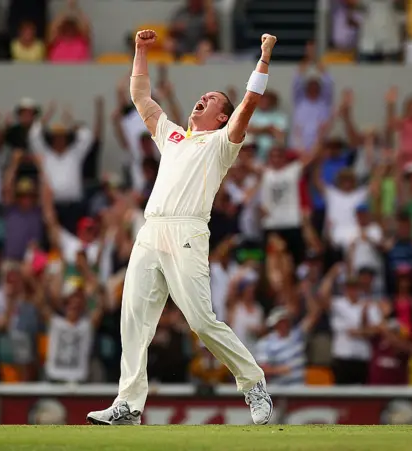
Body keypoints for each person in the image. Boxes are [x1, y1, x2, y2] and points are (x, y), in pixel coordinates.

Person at [86, 29, 277, 426]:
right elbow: (141, 98)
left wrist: (265, 56)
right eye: (202, 95)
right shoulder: (173, 136)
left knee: (200, 319)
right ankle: (128, 403)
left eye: (212, 100)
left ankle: (253, 383)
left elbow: (250, 103)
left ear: (221, 117)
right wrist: (140, 51)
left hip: (187, 231)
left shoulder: (224, 142)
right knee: (133, 317)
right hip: (150, 229)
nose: (202, 98)